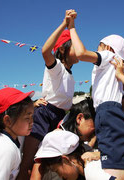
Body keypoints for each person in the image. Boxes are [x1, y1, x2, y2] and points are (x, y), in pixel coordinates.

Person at [67, 10, 124, 179]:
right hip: (110, 111)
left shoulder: (109, 56)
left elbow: (81, 53)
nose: (97, 49)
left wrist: (71, 27)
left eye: (99, 45)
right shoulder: (116, 72)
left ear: (108, 47)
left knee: (115, 167)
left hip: (107, 112)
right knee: (113, 160)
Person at [17, 10, 79, 180]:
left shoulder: (70, 75)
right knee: (29, 162)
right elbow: (45, 51)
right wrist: (64, 24)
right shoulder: (57, 67)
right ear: (64, 48)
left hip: (59, 117)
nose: (80, 48)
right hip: (44, 115)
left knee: (46, 164)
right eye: (75, 44)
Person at [33, 130, 124, 180]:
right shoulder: (91, 166)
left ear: (66, 159)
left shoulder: (92, 170)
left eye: (57, 171)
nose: (60, 176)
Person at [30, 98, 96, 180]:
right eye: (95, 124)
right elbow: (37, 169)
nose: (97, 131)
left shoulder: (80, 140)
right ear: (80, 118)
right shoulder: (55, 139)